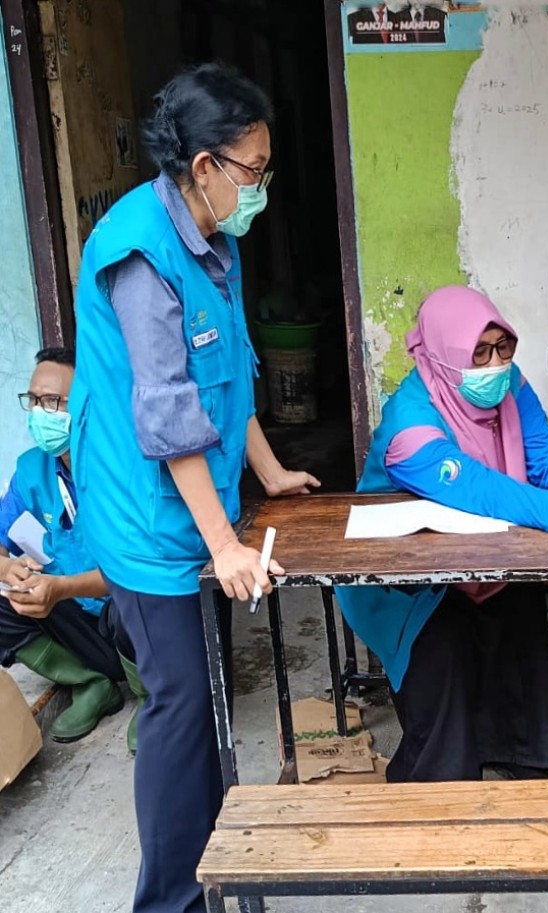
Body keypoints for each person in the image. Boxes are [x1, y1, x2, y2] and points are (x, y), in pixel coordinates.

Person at [71, 64, 318, 913]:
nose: (262, 186)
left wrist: (268, 470)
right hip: (146, 519)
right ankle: (171, 900)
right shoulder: (141, 252)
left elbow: (227, 368)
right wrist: (223, 543)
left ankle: (218, 875)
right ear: (205, 164)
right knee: (181, 703)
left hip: (195, 501)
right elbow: (171, 413)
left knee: (210, 693)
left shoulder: (216, 232)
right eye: (254, 169)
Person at [338, 286, 548, 783]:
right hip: (408, 585)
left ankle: (523, 767)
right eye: (478, 353)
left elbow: (543, 453)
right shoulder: (408, 426)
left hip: (488, 561)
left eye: (503, 348)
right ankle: (439, 800)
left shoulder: (510, 384)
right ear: (444, 354)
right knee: (445, 679)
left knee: (522, 634)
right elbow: (481, 490)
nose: (495, 364)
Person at [0, 348, 144, 748]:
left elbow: (133, 569)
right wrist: (9, 572)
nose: (38, 414)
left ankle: (150, 700)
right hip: (76, 623)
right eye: (33, 401)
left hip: (132, 626)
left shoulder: (120, 467)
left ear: (83, 405)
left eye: (51, 402)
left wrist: (60, 587)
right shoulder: (32, 470)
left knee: (133, 597)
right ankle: (90, 683)